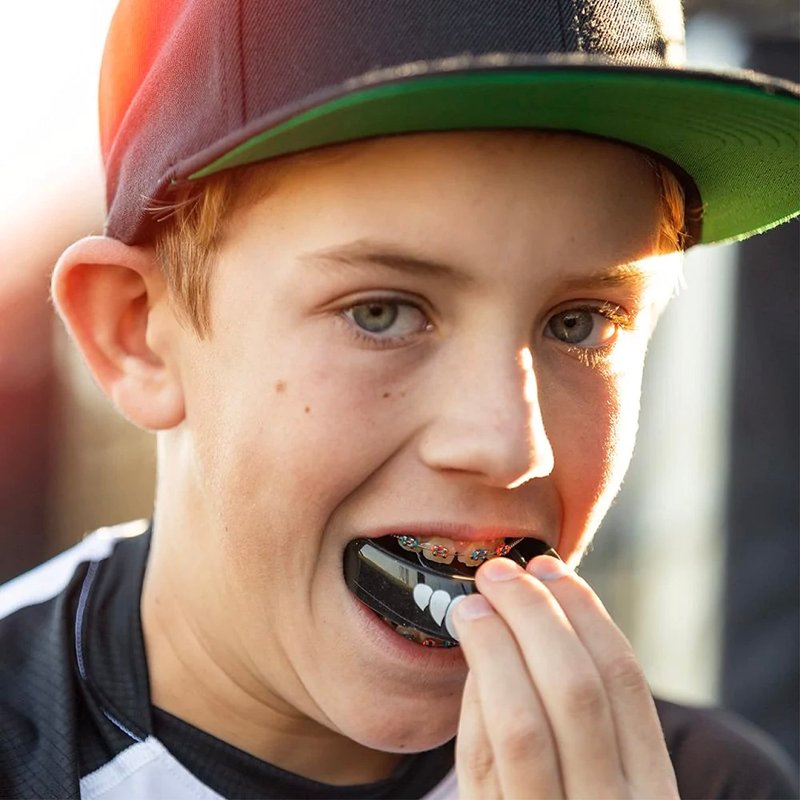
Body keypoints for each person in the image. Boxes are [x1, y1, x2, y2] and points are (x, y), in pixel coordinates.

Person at [1, 1, 798, 798]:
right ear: (135, 335)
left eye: (580, 323)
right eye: (381, 313)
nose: (510, 445)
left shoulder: (709, 784)